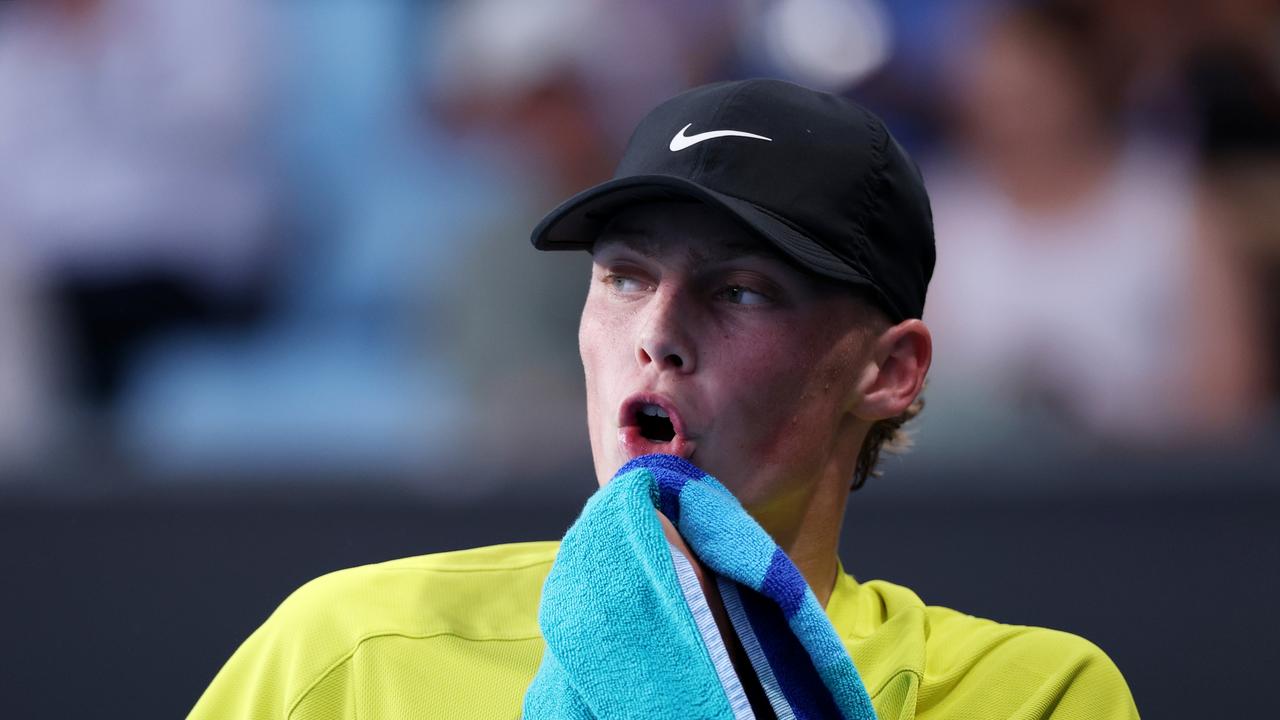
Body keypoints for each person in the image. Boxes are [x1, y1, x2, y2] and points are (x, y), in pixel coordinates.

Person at [189, 79, 1139, 719]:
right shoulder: (346, 655)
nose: (657, 331)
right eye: (627, 278)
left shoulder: (1035, 695)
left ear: (889, 372)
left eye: (741, 291)